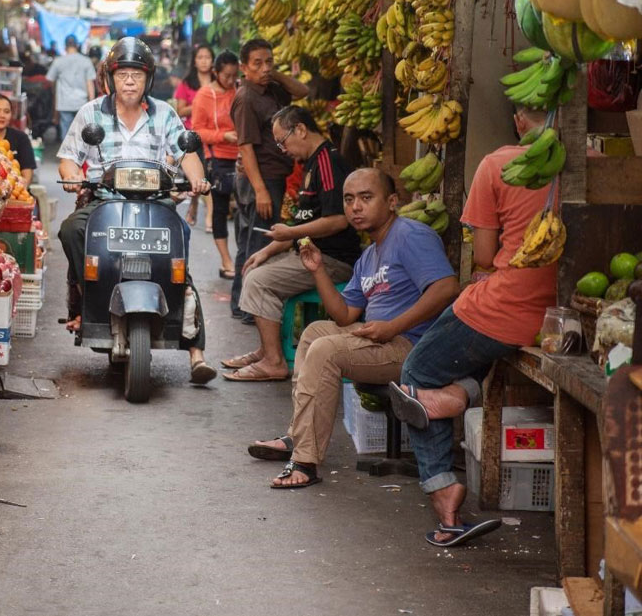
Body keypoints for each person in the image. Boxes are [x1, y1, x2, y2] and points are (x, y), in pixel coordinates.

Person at [388, 106, 557, 548]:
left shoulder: (497, 164)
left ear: (519, 118)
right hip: (559, 318)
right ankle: (457, 396)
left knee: (416, 375)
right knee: (468, 366)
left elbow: (483, 256)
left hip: (507, 307)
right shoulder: (585, 167)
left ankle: (445, 496)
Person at [248, 169, 458, 488]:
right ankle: (298, 437)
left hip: (414, 349)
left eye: (366, 197)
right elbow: (345, 315)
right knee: (316, 332)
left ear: (391, 202)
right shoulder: (368, 256)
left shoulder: (410, 234)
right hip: (384, 340)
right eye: (348, 200)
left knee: (326, 350)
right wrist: (317, 269)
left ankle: (305, 462)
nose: (355, 207)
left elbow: (446, 288)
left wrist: (391, 327)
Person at [56, 37, 216, 386]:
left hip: (156, 200)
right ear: (110, 78)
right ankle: (88, 299)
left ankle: (194, 346)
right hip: (104, 200)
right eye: (123, 74)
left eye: (137, 75)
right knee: (72, 230)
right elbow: (69, 156)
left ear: (149, 79)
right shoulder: (91, 113)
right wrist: (71, 178)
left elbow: (187, 153)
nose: (129, 81)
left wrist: (197, 180)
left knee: (180, 242)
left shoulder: (165, 114)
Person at [224, 105, 361, 381]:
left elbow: (338, 220)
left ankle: (274, 362)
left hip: (332, 260)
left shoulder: (327, 162)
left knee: (259, 280)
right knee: (255, 268)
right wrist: (268, 249)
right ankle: (266, 350)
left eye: (282, 141)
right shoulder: (312, 162)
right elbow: (301, 225)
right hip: (312, 253)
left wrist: (288, 235)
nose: (282, 149)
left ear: (300, 129)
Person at [230, 39, 310, 322]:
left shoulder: (271, 89)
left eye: (269, 62)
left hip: (274, 176)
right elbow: (246, 147)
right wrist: (261, 190)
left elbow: (303, 91)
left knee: (255, 238)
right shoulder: (246, 98)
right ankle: (248, 307)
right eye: (257, 64)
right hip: (260, 179)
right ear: (243, 67)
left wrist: (273, 73)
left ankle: (243, 304)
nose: (264, 68)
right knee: (258, 242)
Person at [190, 50, 240, 279]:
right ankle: (226, 260)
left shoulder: (239, 91)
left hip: (242, 158)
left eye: (234, 76)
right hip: (218, 158)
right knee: (219, 211)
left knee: (242, 210)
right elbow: (197, 130)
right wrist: (223, 136)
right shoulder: (204, 95)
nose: (231, 81)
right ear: (216, 73)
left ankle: (241, 257)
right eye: (227, 76)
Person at [174, 44, 213, 229]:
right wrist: (199, 103)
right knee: (198, 174)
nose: (204, 61)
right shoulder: (187, 83)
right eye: (200, 57)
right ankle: (195, 204)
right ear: (195, 61)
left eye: (207, 57)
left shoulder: (218, 81)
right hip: (193, 135)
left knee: (210, 174)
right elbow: (180, 109)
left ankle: (210, 217)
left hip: (215, 135)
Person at [47, 35, 97, 140]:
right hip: (81, 103)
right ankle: (81, 154)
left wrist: (56, 94)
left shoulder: (58, 61)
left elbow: (50, 80)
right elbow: (90, 84)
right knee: (82, 132)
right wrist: (91, 104)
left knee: (66, 133)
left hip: (65, 102)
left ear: (65, 46)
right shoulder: (86, 61)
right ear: (77, 45)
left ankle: (67, 155)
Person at [0, 92, 36, 187]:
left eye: (6, 111)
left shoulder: (21, 138)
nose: (2, 115)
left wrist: (20, 189)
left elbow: (27, 172)